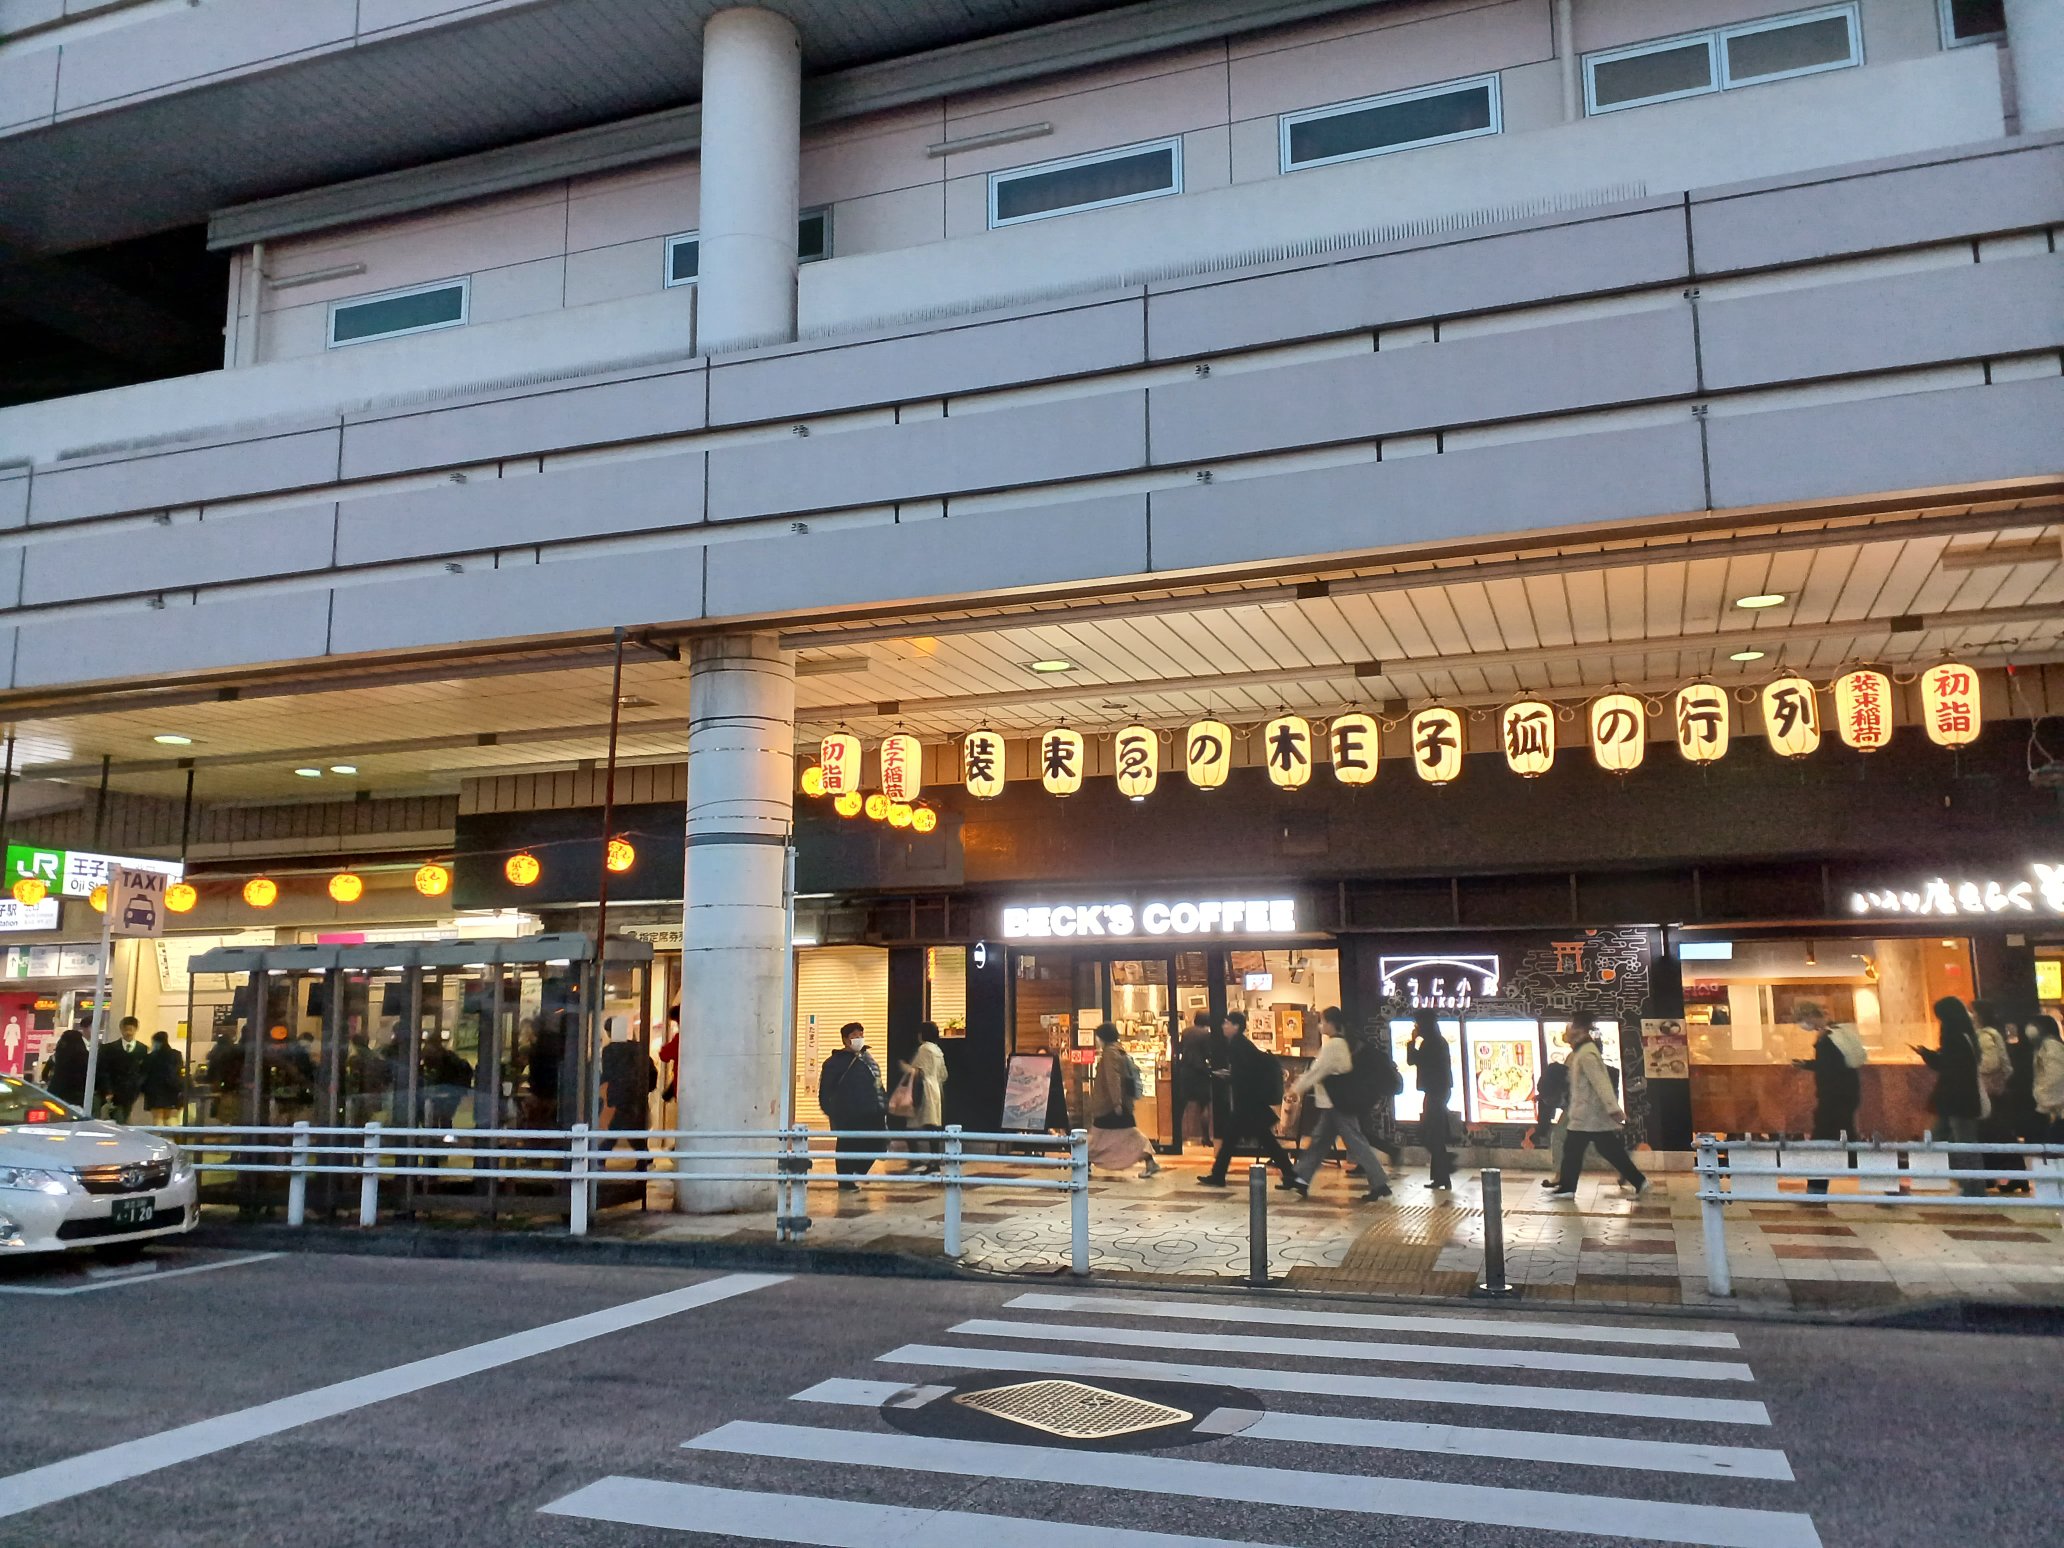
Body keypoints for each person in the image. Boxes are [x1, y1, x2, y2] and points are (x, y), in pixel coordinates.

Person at [1290, 1007, 1390, 1201]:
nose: (1320, 1025)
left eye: (1322, 1021)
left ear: (1330, 1023)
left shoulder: (1333, 1046)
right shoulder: (1341, 1043)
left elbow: (1316, 1072)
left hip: (1336, 1103)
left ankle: (1379, 1182)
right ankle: (1301, 1179)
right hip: (1335, 1102)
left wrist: (1296, 1088)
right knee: (1321, 1141)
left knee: (1354, 1142)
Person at [1546, 1013, 1648, 1198]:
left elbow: (1601, 1082)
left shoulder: (1587, 1054)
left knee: (1574, 1149)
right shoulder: (1583, 1051)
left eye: (1570, 1028)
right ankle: (1639, 1180)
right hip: (1588, 1114)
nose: (1567, 1032)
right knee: (1604, 1149)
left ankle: (1568, 1187)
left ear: (1579, 1030)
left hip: (1588, 1114)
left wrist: (1613, 1109)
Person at [1200, 1011, 1297, 1190]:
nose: (1224, 1026)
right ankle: (1289, 1173)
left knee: (1249, 1139)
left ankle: (1218, 1174)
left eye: (1227, 1023)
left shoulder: (1238, 1046)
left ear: (1236, 1026)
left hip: (1248, 1104)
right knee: (1258, 1140)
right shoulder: (1241, 1044)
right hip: (1250, 1103)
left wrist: (1229, 1077)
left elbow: (1244, 1075)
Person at [1791, 1000, 1865, 1196]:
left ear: (1810, 1016)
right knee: (1849, 1140)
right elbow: (1837, 1065)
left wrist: (1811, 1064)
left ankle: (1816, 1191)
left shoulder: (1828, 1037)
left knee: (1821, 1143)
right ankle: (1887, 1181)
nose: (1802, 1024)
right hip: (1847, 1094)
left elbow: (1829, 1067)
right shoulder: (1838, 1031)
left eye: (1802, 1019)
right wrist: (1808, 1064)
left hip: (1832, 1098)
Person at [1917, 996, 1985, 1196]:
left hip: (1957, 1098)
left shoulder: (1952, 1034)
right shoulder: (1967, 1034)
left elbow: (1949, 1066)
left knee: (1962, 1143)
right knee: (1949, 1139)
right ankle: (1968, 1184)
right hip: (1962, 1097)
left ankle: (1973, 1187)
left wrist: (1930, 1056)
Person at [818, 1022, 886, 1188]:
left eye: (861, 1035)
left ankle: (858, 1171)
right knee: (846, 1145)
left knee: (879, 1143)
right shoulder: (834, 1063)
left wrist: (883, 1104)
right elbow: (825, 1090)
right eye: (854, 1036)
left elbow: (877, 1083)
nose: (859, 1039)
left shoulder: (868, 1059)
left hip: (872, 1111)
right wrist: (832, 1111)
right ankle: (846, 1181)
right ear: (845, 1040)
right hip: (847, 1113)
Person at [1088, 1022, 1161, 1178]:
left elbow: (1113, 1080)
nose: (1096, 1040)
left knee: (1099, 1134)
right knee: (1118, 1134)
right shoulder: (1119, 1051)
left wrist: (1116, 1103)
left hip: (1109, 1105)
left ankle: (1083, 1161)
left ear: (1102, 1037)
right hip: (1117, 1103)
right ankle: (1149, 1161)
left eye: (1097, 1037)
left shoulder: (1109, 1053)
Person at [1405, 1011, 1455, 1191]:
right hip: (1439, 1091)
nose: (1416, 1028)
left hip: (1435, 1092)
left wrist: (1412, 1042)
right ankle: (1441, 1176)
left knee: (1429, 1133)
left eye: (1417, 1024)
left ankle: (1446, 1166)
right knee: (1434, 1134)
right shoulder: (1438, 1041)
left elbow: (1412, 1060)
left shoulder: (1431, 1043)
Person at [596, 1017, 652, 1169]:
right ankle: (644, 1159)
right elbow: (651, 1070)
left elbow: (608, 1074)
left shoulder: (609, 1051)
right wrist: (646, 1088)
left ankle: (600, 1159)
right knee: (630, 1127)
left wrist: (600, 1086)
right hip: (637, 1094)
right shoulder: (638, 1048)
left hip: (621, 1095)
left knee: (618, 1126)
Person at [899, 1021, 948, 1174]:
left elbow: (915, 1071)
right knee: (932, 1126)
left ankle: (917, 1159)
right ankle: (934, 1161)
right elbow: (944, 1074)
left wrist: (903, 1066)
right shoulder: (938, 1050)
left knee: (911, 1125)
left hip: (922, 1090)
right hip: (935, 1089)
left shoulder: (924, 1048)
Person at [1176, 1011, 1217, 1149]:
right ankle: (1205, 1137)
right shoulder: (1206, 1034)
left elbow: (1180, 1049)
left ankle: (1178, 1137)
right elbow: (1209, 1053)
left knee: (1181, 1105)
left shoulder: (1186, 1032)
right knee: (1204, 1105)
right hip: (1200, 1072)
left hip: (1185, 1071)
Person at [1533, 1053, 1571, 1190]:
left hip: (1584, 1107)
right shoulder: (1548, 1089)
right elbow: (1544, 1116)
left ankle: (1562, 1178)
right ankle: (1562, 1177)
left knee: (1559, 1136)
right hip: (1576, 1107)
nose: (1549, 1102)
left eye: (1550, 1099)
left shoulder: (1573, 1087)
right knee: (1603, 1143)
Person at [102, 1017, 149, 1124]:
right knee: (119, 1116)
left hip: (133, 1090)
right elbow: (105, 1070)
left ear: (136, 1029)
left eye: (130, 1030)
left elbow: (144, 1070)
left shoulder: (142, 1049)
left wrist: (139, 1084)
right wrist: (108, 1089)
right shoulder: (110, 1048)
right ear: (121, 1030)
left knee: (126, 1113)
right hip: (115, 1089)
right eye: (126, 1030)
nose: (128, 1033)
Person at [2030, 1014, 2064, 1144]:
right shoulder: (2049, 1045)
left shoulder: (2049, 1046)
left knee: (2053, 1144)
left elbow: (2055, 1076)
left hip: (2058, 1110)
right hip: (2058, 1109)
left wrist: (2041, 1096)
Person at [141, 1031, 185, 1126]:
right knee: (170, 1118)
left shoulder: (150, 1057)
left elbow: (144, 1074)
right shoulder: (176, 1055)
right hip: (172, 1091)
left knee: (157, 1118)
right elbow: (179, 1072)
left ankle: (159, 1139)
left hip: (154, 1092)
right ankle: (173, 1138)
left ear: (156, 1042)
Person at [44, 1022, 90, 1107]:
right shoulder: (85, 1057)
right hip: (78, 1095)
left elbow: (45, 1074)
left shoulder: (58, 1056)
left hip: (56, 1093)